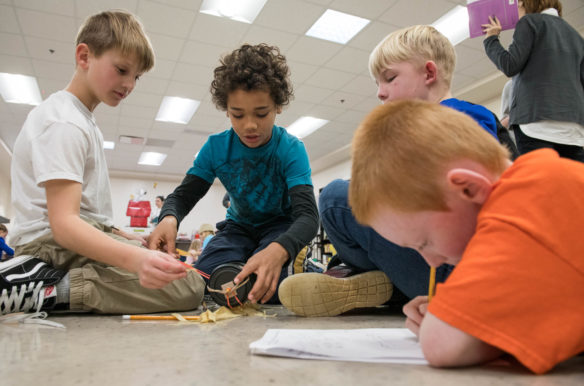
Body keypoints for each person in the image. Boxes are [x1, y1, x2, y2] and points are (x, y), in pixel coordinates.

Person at [279, 25, 504, 317]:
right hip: (445, 267)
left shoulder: (454, 119)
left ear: (429, 73)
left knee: (335, 197)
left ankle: (382, 284)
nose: (380, 92)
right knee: (354, 195)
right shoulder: (474, 117)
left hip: (452, 271)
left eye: (390, 78)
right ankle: (386, 283)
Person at [348, 99, 584, 374]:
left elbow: (442, 344)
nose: (432, 262)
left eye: (425, 243)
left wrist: (448, 319)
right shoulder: (543, 176)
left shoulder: (521, 210)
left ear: (469, 189)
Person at [2, 10, 204, 317]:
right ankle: (46, 288)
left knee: (170, 268)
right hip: (50, 245)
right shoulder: (64, 122)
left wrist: (127, 238)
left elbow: (82, 212)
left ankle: (47, 280)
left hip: (58, 241)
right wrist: (136, 261)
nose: (130, 84)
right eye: (122, 69)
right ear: (84, 56)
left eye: (136, 76)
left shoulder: (81, 119)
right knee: (187, 286)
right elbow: (64, 224)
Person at [149, 43, 319, 305]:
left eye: (261, 113)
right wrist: (169, 218)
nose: (250, 125)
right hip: (238, 227)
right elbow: (182, 197)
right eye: (237, 115)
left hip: (280, 226)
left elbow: (308, 217)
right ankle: (253, 265)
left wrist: (280, 249)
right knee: (204, 279)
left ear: (278, 107)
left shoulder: (291, 149)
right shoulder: (216, 148)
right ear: (226, 110)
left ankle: (302, 266)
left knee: (272, 290)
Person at [483, 0, 584, 161]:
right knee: (573, 185)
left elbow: (510, 65)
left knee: (541, 184)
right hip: (574, 132)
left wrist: (491, 40)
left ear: (524, 2)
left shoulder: (529, 22)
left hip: (535, 125)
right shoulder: (576, 37)